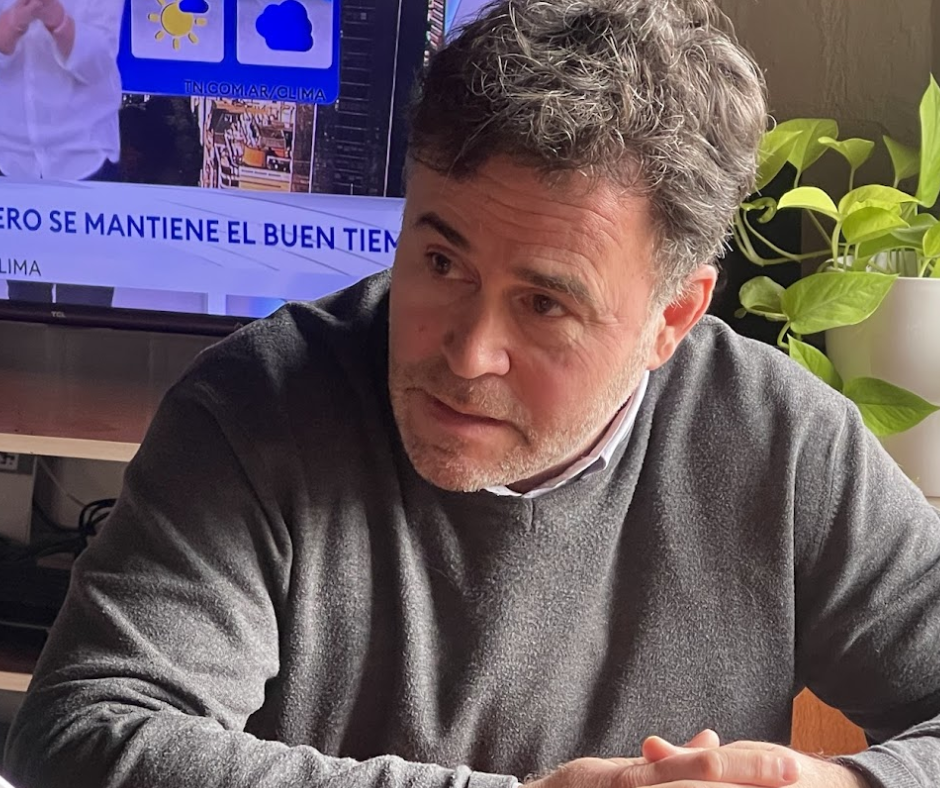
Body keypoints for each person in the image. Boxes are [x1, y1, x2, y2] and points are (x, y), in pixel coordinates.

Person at [5, 1, 940, 787]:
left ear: (673, 317)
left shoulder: (783, 443)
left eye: (545, 303)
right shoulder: (255, 409)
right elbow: (82, 737)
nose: (466, 352)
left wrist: (846, 784)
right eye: (441, 261)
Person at [0, 0, 124, 306]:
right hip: (12, 164)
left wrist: (59, 22)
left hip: (87, 159)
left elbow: (99, 65)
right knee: (25, 305)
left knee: (87, 305)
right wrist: (14, 22)